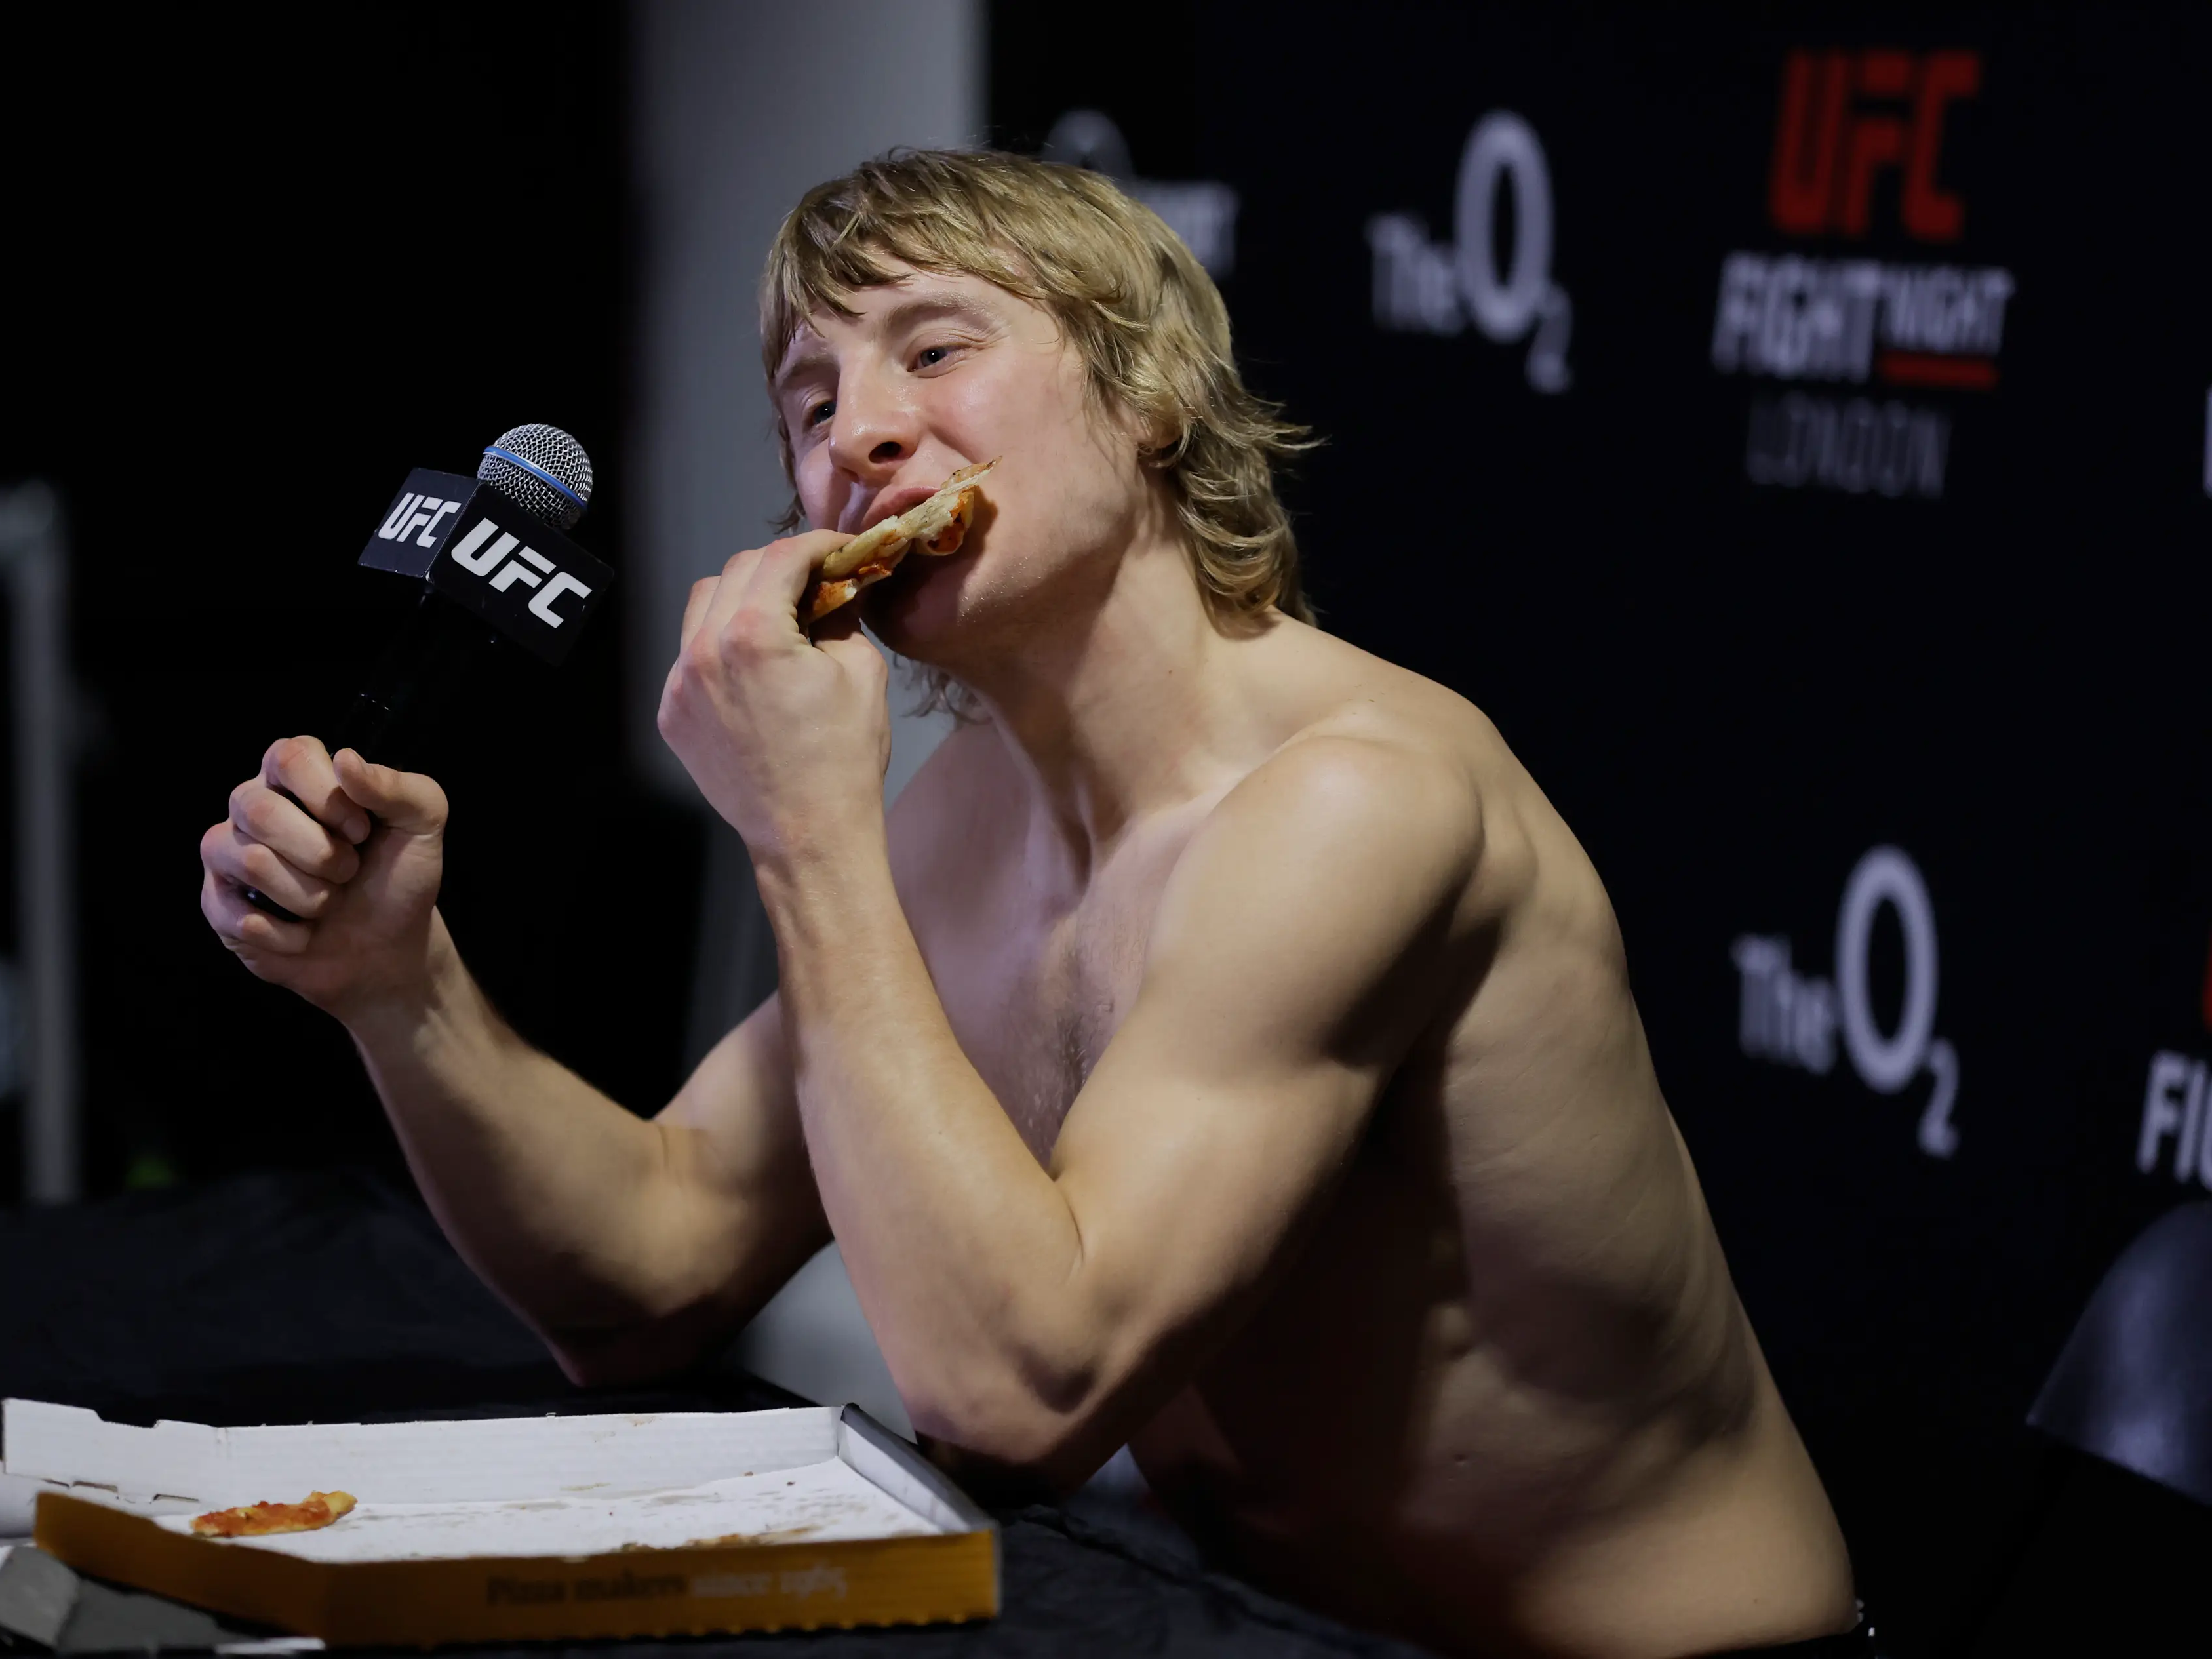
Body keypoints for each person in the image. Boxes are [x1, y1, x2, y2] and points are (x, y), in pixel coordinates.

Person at [198, 150, 1861, 1658]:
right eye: (810, 396)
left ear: (1148, 399)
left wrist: (810, 841)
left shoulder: (1353, 803)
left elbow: (1021, 1390)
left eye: (934, 350)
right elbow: (644, 1271)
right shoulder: (962, 821)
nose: (856, 432)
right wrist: (396, 983)